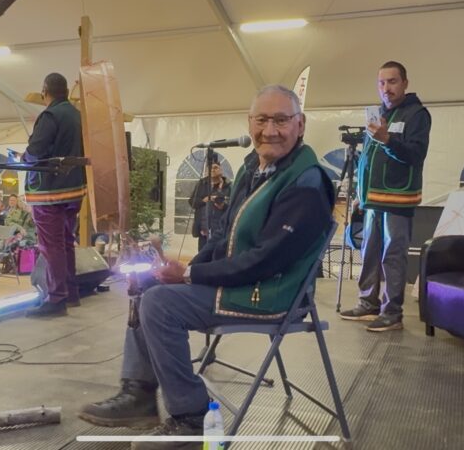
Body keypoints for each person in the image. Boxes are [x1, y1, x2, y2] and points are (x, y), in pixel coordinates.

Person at [77, 85, 334, 449]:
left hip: (275, 294)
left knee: (160, 304)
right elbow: (222, 235)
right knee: (148, 285)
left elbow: (267, 259)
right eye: (262, 120)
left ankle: (191, 416)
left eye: (281, 120)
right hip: (248, 281)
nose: (270, 130)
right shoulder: (254, 168)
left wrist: (189, 275)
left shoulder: (307, 181)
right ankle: (138, 394)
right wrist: (182, 266)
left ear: (300, 124)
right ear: (250, 122)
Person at [338, 61, 431, 332]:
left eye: (392, 82)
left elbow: (415, 154)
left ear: (405, 83)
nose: (386, 88)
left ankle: (393, 313)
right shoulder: (378, 114)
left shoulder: (417, 115)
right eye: (381, 83)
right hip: (372, 198)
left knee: (393, 254)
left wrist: (388, 139)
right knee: (369, 251)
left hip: (398, 198)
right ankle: (368, 303)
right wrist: (360, 193)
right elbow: (368, 158)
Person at [23, 72, 86, 315]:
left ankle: (56, 298)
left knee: (51, 246)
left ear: (45, 91)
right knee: (66, 242)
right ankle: (71, 294)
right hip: (73, 189)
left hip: (49, 191)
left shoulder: (50, 115)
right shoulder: (76, 115)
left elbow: (36, 150)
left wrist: (24, 157)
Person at [187, 161, 230, 252]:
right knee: (202, 256)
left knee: (218, 257)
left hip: (220, 230)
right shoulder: (201, 184)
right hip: (204, 230)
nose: (213, 170)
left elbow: (234, 206)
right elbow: (192, 202)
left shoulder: (228, 185)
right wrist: (204, 200)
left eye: (215, 167)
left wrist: (223, 206)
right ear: (206, 170)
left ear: (221, 170)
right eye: (210, 168)